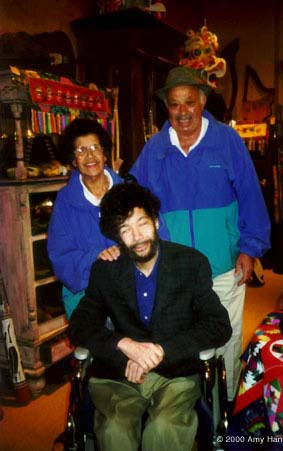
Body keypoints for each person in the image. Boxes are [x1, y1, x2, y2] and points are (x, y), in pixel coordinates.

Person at [130, 66, 271, 401]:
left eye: (189, 102)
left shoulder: (228, 141)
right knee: (181, 342)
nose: (183, 112)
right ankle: (189, 411)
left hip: (224, 266)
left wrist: (250, 249)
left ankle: (225, 410)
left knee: (226, 339)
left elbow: (251, 196)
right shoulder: (155, 149)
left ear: (203, 100)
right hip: (174, 271)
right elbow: (132, 199)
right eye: (175, 104)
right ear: (167, 106)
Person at [68, 181, 232, 451]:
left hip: (175, 374)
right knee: (114, 431)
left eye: (142, 223)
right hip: (119, 375)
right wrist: (125, 347)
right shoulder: (106, 270)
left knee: (164, 429)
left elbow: (218, 325)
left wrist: (160, 351)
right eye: (126, 229)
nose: (138, 236)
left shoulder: (191, 264)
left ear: (156, 221)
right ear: (117, 236)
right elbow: (80, 324)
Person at [47, 118, 123, 318]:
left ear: (104, 153)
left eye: (95, 147)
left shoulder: (128, 191)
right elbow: (60, 256)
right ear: (73, 160)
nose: (89, 156)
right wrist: (96, 257)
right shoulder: (65, 201)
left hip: (129, 294)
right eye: (81, 150)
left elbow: (155, 237)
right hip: (85, 297)